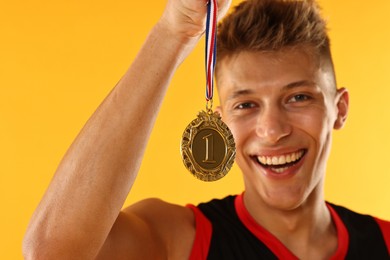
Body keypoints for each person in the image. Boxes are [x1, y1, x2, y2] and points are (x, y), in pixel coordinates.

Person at [23, 0, 390, 259]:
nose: (273, 130)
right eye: (246, 105)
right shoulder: (182, 240)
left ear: (339, 109)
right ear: (222, 124)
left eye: (298, 98)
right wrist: (175, 32)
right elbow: (51, 252)